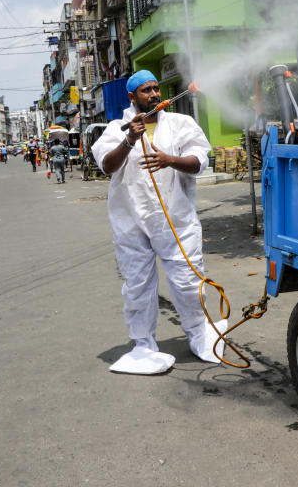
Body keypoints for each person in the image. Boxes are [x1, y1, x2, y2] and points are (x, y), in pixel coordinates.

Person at [92, 70, 223, 375]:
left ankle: (200, 336)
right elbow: (107, 166)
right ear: (132, 97)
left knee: (189, 282)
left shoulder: (181, 124)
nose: (153, 95)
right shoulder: (116, 128)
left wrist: (169, 160)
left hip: (175, 221)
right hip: (131, 224)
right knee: (137, 286)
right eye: (145, 91)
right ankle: (143, 344)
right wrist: (129, 140)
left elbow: (199, 161)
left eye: (155, 89)